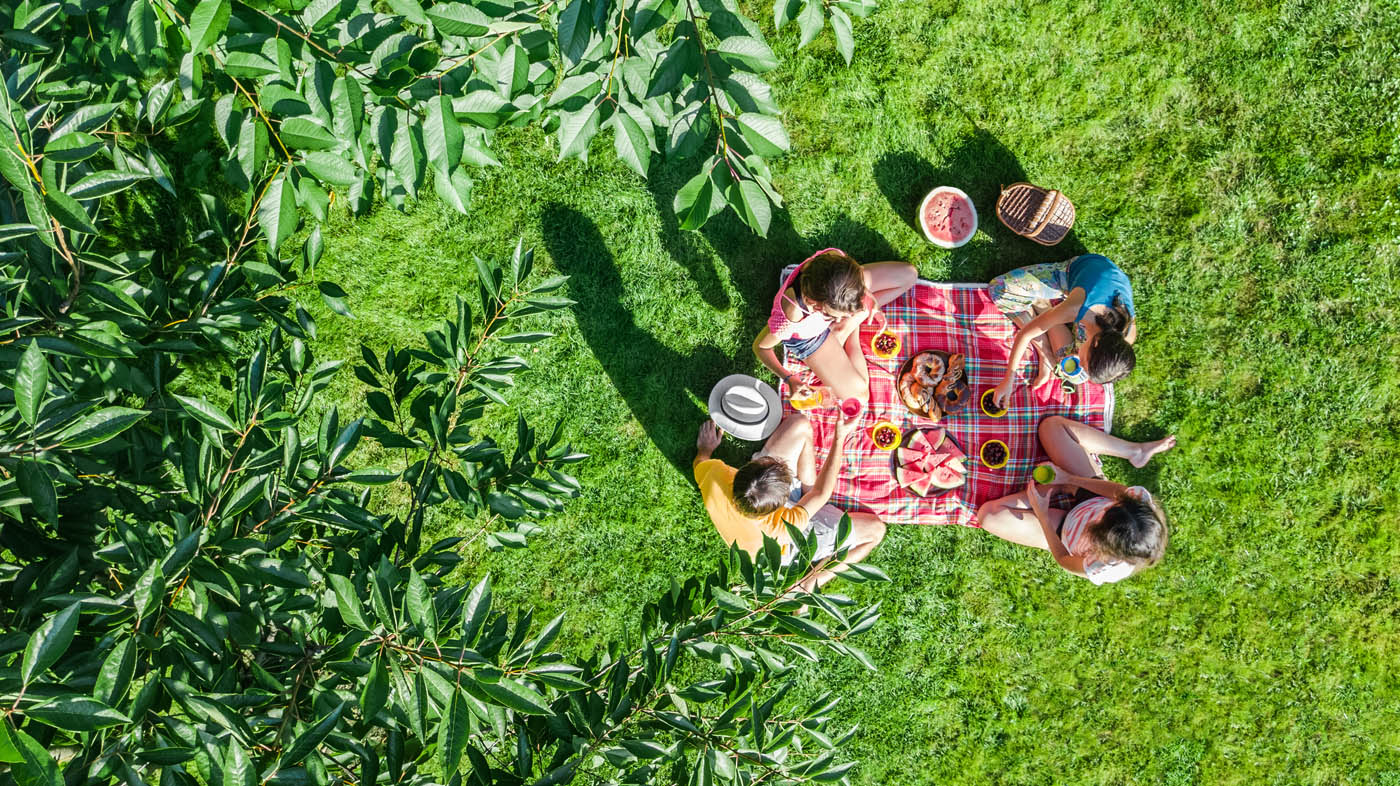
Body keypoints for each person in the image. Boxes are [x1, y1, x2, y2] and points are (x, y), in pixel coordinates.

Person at [693, 411, 886, 591]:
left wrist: (705, 450)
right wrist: (839, 437)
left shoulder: (715, 474)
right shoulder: (784, 527)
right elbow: (822, 492)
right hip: (786, 546)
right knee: (876, 531)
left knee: (799, 425)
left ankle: (806, 499)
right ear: (783, 503)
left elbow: (700, 462)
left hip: (762, 507)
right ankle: (810, 583)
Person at [975, 415, 1175, 584]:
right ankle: (1134, 451)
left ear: (1104, 541)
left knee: (988, 516)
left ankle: (1047, 499)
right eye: (1113, 507)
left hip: (1064, 530)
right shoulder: (1140, 506)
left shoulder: (1104, 567)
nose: (1104, 510)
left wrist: (1043, 515)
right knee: (1051, 427)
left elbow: (1063, 559)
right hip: (1090, 494)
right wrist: (1068, 479)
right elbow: (1115, 491)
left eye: (1105, 516)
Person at [753, 249, 917, 406]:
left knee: (909, 275)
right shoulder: (792, 313)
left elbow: (856, 282)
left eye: (842, 316)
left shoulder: (835, 260)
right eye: (832, 316)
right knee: (860, 397)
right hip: (809, 337)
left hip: (837, 295)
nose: (837, 319)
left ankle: (845, 327)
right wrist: (790, 379)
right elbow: (761, 347)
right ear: (813, 303)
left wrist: (868, 298)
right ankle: (848, 330)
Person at [989, 254, 1137, 407]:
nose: (1080, 361)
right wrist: (1008, 380)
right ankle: (1044, 317)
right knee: (999, 289)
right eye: (1084, 361)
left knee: (1078, 376)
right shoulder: (1077, 309)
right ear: (1096, 343)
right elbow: (1025, 335)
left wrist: (1081, 359)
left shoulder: (1125, 337)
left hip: (1091, 316)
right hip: (1075, 273)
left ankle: (1049, 317)